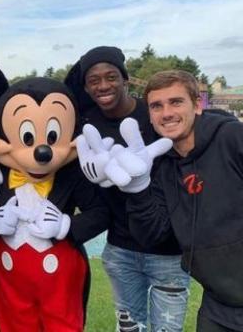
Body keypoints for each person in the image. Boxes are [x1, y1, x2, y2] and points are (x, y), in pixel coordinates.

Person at [97, 70, 243, 331]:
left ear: (197, 104)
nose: (166, 113)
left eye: (176, 102)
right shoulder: (162, 166)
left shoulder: (239, 140)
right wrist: (139, 190)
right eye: (157, 106)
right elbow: (155, 235)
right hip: (217, 305)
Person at [64, 46, 189, 332]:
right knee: (129, 328)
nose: (103, 85)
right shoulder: (86, 124)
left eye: (110, 77)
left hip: (167, 248)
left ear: (125, 79)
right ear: (86, 87)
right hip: (121, 247)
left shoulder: (155, 116)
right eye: (93, 80)